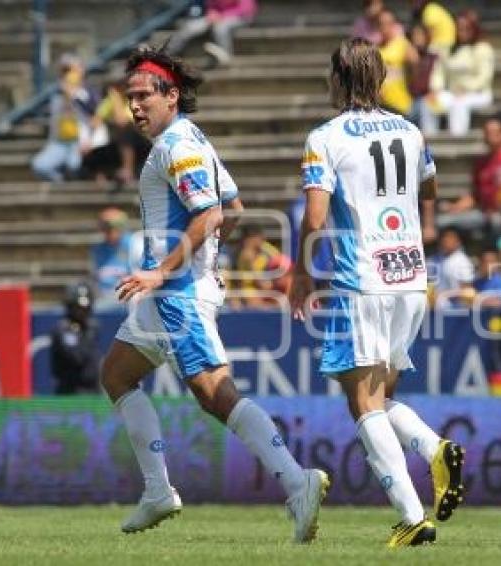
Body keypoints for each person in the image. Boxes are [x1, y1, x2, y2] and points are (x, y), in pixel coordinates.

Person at [100, 45, 326, 541]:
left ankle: (296, 480)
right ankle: (158, 491)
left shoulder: (176, 147)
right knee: (116, 374)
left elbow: (211, 215)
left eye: (144, 97)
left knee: (214, 393)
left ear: (171, 95)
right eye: (130, 97)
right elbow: (235, 205)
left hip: (178, 293)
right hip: (177, 291)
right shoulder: (191, 139)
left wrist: (163, 271)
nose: (135, 106)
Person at [290, 38, 465, 547]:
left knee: (361, 401)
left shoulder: (326, 136)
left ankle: (412, 514)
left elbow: (317, 217)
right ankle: (433, 452)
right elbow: (430, 188)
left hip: (360, 279)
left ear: (338, 79)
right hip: (410, 275)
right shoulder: (410, 131)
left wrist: (302, 272)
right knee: (381, 393)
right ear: (380, 79)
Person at [439, 117, 501, 236]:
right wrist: (455, 207)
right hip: (483, 213)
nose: (489, 136)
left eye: (494, 133)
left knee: (497, 222)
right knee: (443, 222)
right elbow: (475, 196)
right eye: (487, 133)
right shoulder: (481, 162)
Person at [425, 9, 494, 136]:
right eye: (459, 28)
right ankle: (429, 140)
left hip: (478, 93)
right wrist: (436, 89)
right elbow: (439, 72)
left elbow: (485, 77)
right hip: (453, 92)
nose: (462, 32)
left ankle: (457, 138)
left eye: (466, 28)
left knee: (459, 104)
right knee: (429, 103)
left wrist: (466, 88)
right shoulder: (448, 49)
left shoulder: (483, 49)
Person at [31, 53, 97, 182]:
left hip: (80, 143)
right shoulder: (56, 95)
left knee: (75, 167)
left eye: (71, 70)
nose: (67, 74)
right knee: (39, 166)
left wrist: (74, 95)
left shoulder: (89, 93)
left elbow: (93, 114)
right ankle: (61, 183)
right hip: (59, 142)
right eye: (65, 71)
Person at [167, 0, 257, 67]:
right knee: (191, 26)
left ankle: (225, 55)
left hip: (240, 17)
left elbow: (247, 9)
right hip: (216, 17)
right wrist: (212, 13)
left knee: (221, 28)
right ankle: (169, 52)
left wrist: (223, 16)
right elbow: (211, 5)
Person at [50, 281, 100, 395]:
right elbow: (77, 357)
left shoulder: (90, 328)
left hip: (92, 391)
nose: (82, 313)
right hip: (71, 392)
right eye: (78, 308)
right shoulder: (63, 329)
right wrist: (86, 334)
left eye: (85, 309)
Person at [228, 224, 293, 309]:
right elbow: (235, 283)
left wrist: (251, 266)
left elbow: (267, 285)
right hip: (247, 293)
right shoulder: (238, 255)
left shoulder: (270, 253)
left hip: (268, 290)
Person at [90, 207, 142, 310]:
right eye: (105, 228)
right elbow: (95, 278)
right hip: (103, 298)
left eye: (114, 227)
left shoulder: (135, 244)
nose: (110, 231)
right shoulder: (97, 250)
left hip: (128, 298)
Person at [377, 9, 414, 116]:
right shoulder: (375, 48)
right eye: (381, 24)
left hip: (401, 104)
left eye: (388, 23)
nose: (384, 27)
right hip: (382, 105)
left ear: (394, 25)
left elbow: (416, 67)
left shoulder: (402, 44)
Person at [429, 227, 475, 307]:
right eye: (444, 237)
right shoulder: (434, 259)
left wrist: (444, 295)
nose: (446, 240)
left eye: (450, 238)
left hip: (455, 306)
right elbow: (429, 283)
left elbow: (467, 290)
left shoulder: (463, 261)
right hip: (434, 303)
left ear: (458, 242)